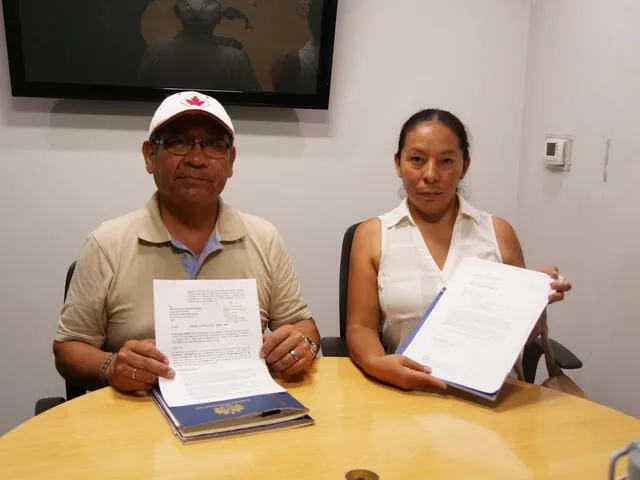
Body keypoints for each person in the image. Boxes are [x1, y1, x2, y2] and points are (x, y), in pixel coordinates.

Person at [53, 91, 319, 393]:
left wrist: (301, 344)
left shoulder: (264, 237)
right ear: (149, 156)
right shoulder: (107, 244)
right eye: (178, 142)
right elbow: (67, 349)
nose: (196, 159)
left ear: (231, 161)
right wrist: (111, 366)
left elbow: (303, 326)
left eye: (214, 145)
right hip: (139, 413)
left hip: (240, 403)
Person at [346, 109, 572, 391]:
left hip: (493, 396)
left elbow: (523, 335)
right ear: (398, 163)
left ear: (464, 166)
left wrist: (534, 300)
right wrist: (378, 363)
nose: (431, 175)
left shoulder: (498, 233)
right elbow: (360, 328)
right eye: (417, 159)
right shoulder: (372, 235)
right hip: (407, 392)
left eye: (446, 161)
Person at [139, 0, 261, 91]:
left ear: (177, 13)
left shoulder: (157, 50)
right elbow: (257, 102)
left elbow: (141, 92)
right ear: (219, 18)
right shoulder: (235, 59)